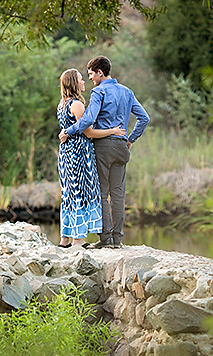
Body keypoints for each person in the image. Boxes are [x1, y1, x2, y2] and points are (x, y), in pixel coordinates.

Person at [59, 55, 149, 248]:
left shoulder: (99, 92)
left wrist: (68, 130)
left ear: (100, 72)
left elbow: (88, 120)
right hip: (121, 147)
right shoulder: (127, 91)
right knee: (118, 194)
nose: (90, 78)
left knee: (101, 193)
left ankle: (105, 239)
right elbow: (144, 118)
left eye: (91, 74)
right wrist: (131, 139)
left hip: (103, 147)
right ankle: (118, 240)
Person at [57, 68, 127, 248]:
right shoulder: (77, 105)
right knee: (80, 192)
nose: (84, 82)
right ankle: (78, 240)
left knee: (69, 194)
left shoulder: (61, 104)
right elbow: (88, 132)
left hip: (66, 152)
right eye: (80, 79)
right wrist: (113, 131)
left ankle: (65, 238)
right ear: (74, 83)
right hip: (79, 153)